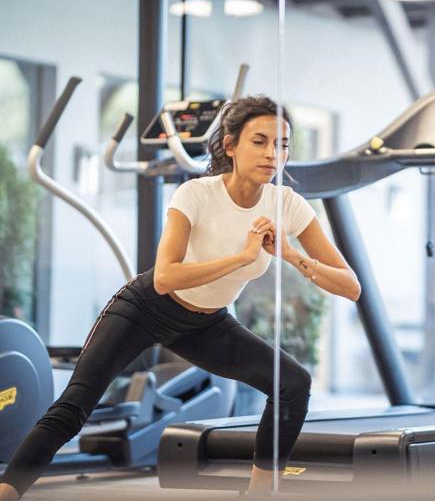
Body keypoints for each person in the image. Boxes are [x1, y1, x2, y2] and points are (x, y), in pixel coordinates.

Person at [0, 96, 361, 500]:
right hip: (144, 309)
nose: (272, 154)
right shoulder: (196, 194)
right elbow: (165, 277)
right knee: (74, 407)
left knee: (293, 383)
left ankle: (260, 494)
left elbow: (351, 287)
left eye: (282, 144)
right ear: (230, 146)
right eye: (260, 141)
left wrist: (292, 255)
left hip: (206, 323)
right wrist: (242, 257)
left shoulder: (288, 205)